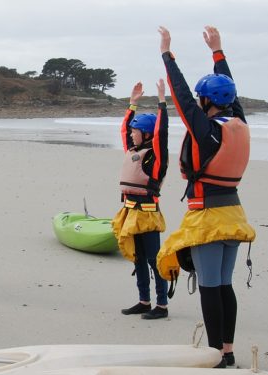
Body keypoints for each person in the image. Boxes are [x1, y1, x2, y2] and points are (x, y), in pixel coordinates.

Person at [154, 26, 256, 368]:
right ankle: (227, 350)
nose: (197, 102)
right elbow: (228, 87)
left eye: (202, 98)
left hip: (208, 218)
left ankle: (216, 356)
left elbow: (181, 96)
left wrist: (167, 54)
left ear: (207, 101)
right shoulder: (237, 120)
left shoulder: (207, 131)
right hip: (234, 217)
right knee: (225, 286)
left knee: (210, 288)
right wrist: (218, 52)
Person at [112, 79, 170, 320]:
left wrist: (162, 103)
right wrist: (132, 104)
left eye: (137, 132)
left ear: (146, 134)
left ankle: (162, 305)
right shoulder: (134, 151)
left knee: (153, 260)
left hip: (147, 215)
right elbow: (124, 130)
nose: (132, 135)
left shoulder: (154, 158)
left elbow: (162, 134)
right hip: (130, 212)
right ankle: (144, 301)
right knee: (138, 259)